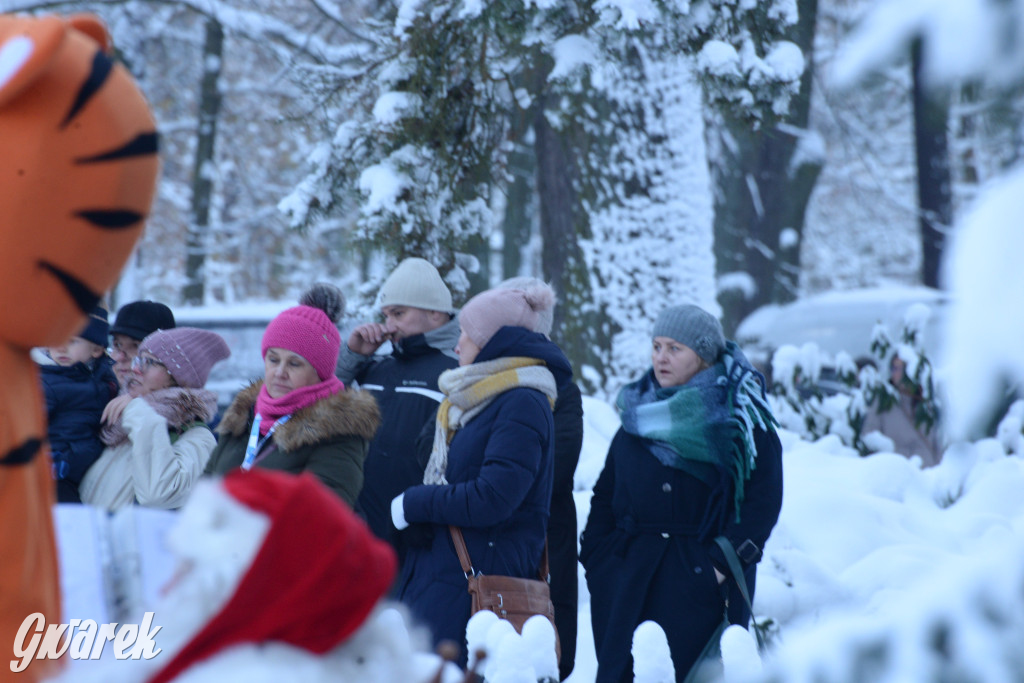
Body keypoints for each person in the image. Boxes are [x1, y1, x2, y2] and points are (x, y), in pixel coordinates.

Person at [580, 304, 784, 683]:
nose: (661, 357)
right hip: (627, 580)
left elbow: (763, 502)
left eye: (675, 348)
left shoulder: (741, 417)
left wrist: (718, 567)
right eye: (656, 346)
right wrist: (598, 557)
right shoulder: (637, 413)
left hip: (701, 583)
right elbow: (606, 494)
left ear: (704, 356)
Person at [390, 283, 573, 664]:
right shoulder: (477, 397)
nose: (457, 345)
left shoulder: (522, 400)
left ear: (496, 344)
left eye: (467, 334)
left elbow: (494, 497)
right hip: (449, 583)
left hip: (479, 590)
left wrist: (414, 503)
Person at [205, 284, 380, 506]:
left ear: (320, 373)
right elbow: (206, 486)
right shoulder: (244, 414)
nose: (280, 373)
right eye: (273, 359)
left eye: (294, 364)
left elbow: (324, 513)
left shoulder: (337, 431)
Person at [336, 258, 460, 562]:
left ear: (434, 312)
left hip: (421, 539)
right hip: (363, 534)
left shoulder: (458, 369)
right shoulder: (377, 367)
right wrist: (352, 356)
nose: (389, 325)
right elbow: (320, 405)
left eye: (399, 314)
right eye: (386, 315)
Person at [497, 277, 583, 681]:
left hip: (547, 535)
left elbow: (555, 465)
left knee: (544, 644)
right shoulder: (478, 378)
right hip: (493, 536)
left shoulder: (561, 386)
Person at [80, 327, 230, 510]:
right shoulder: (121, 427)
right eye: (138, 359)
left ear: (178, 378)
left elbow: (160, 494)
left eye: (149, 362)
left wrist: (141, 412)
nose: (135, 369)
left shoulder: (196, 437)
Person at [39, 305, 119, 503]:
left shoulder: (104, 377)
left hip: (84, 470)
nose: (61, 347)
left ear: (97, 349)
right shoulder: (48, 381)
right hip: (55, 473)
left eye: (72, 340)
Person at [861, 355, 942, 466]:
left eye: (900, 368)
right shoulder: (884, 401)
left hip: (928, 474)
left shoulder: (927, 404)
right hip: (899, 472)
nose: (896, 373)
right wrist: (888, 449)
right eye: (893, 368)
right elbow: (868, 433)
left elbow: (937, 444)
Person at [109, 299, 176, 387]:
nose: (120, 357)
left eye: (136, 346)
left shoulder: (182, 399)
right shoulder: (98, 394)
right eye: (117, 345)